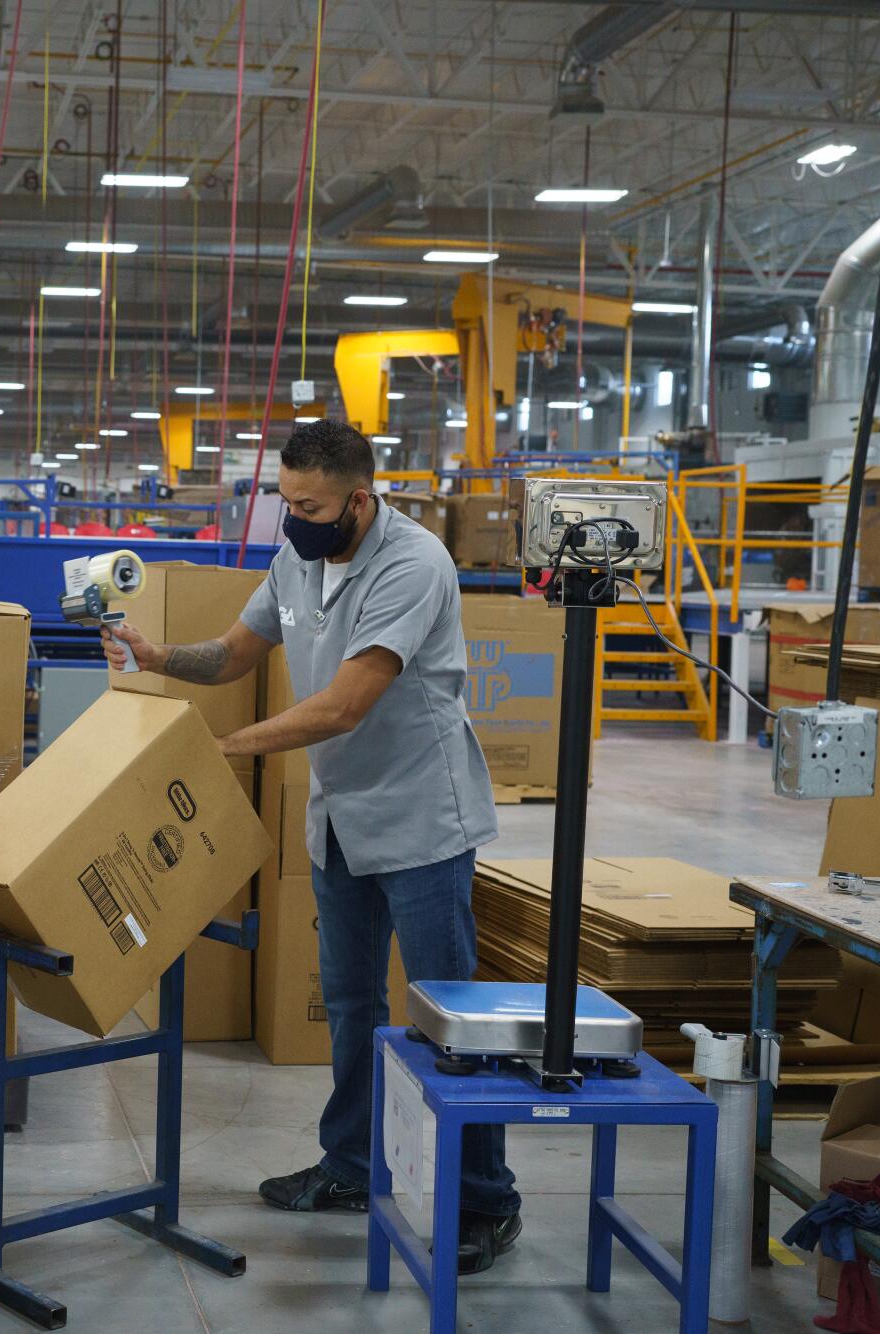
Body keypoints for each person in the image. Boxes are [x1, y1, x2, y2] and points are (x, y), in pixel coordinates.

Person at [102, 419, 522, 1274]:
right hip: (339, 816)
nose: (294, 517)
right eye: (285, 502)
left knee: (449, 1012)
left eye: (311, 505)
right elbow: (231, 654)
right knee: (353, 1004)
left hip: (419, 818)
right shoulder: (297, 556)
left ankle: (486, 1199)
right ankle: (353, 1164)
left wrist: (221, 750)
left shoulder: (413, 565)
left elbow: (340, 707)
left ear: (359, 498)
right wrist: (158, 656)